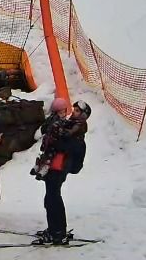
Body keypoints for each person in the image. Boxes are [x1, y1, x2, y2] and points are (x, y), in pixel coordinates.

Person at [33, 99, 90, 246]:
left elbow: (64, 146)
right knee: (50, 199)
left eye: (77, 111)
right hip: (54, 167)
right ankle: (55, 229)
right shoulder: (67, 125)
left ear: (83, 115)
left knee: (53, 199)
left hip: (59, 168)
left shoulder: (77, 130)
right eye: (74, 109)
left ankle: (57, 233)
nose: (73, 113)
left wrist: (54, 138)